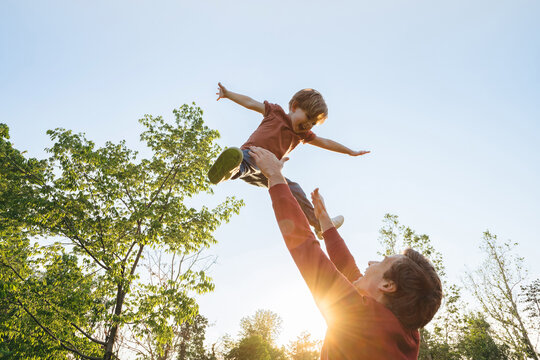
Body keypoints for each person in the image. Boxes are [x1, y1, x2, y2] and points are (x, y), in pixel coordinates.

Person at [248, 146, 443, 360]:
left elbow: (308, 251)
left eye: (382, 261)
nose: (370, 262)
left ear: (387, 286)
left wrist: (275, 177)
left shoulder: (363, 321)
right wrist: (326, 225)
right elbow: (350, 274)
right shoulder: (406, 333)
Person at [209, 82, 370, 237]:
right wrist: (228, 94)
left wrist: (349, 151)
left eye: (313, 123)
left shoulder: (303, 135)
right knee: (245, 159)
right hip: (251, 156)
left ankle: (318, 225)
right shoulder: (275, 112)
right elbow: (251, 102)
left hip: (269, 172)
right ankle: (231, 170)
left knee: (294, 189)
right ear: (294, 107)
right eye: (307, 117)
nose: (308, 124)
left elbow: (325, 142)